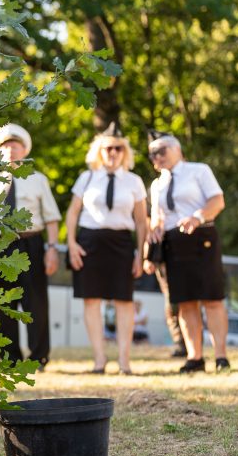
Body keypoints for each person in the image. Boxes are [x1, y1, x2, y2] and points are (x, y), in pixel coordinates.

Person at [143, 130, 229, 373]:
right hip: (173, 243)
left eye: (161, 151)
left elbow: (217, 201)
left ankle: (221, 357)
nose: (156, 157)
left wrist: (197, 217)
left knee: (212, 299)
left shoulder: (199, 170)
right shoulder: (157, 184)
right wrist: (153, 239)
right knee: (185, 303)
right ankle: (195, 357)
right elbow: (157, 219)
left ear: (177, 150)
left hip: (201, 237)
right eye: (152, 154)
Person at [65, 123, 147, 374]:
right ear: (100, 151)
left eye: (118, 148)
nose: (113, 152)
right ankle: (99, 360)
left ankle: (124, 361)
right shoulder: (87, 177)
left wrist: (141, 254)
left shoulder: (134, 181)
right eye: (108, 148)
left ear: (125, 152)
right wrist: (71, 244)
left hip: (122, 243)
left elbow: (142, 221)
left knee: (124, 301)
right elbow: (73, 212)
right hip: (89, 242)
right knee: (91, 301)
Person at [0, 123, 61, 370]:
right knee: (2, 305)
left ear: (25, 150)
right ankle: (9, 357)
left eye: (15, 145)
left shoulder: (38, 179)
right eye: (4, 146)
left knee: (35, 303)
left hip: (30, 244)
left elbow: (52, 218)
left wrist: (52, 249)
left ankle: (38, 357)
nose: (10, 150)